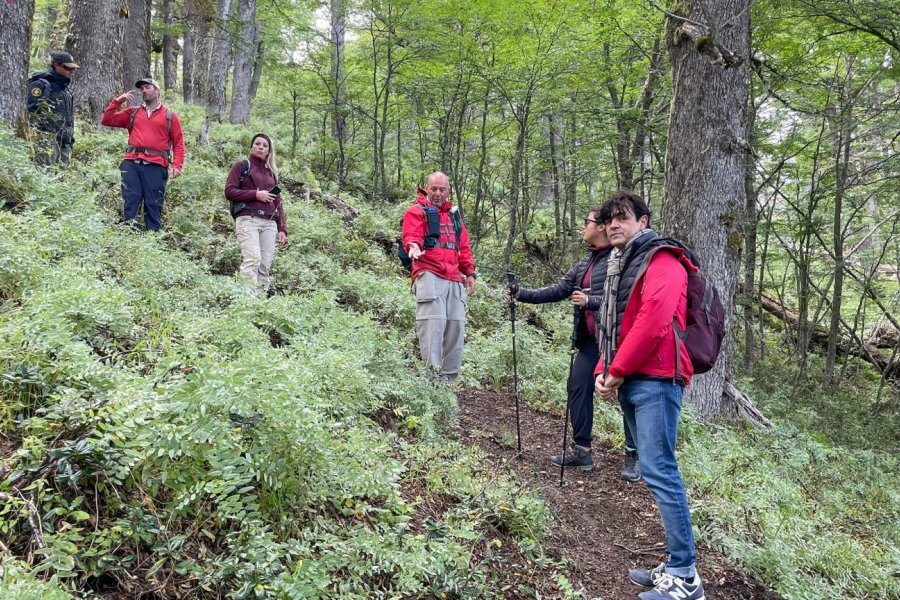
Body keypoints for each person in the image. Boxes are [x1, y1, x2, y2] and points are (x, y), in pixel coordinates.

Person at [593, 191, 705, 600]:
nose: (614, 225)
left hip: (658, 377)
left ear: (643, 220)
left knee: (660, 470)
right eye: (609, 221)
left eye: (622, 218)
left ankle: (686, 576)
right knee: (654, 469)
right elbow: (615, 322)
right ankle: (675, 563)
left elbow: (654, 319)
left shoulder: (663, 259)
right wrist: (603, 370)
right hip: (635, 375)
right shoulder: (622, 264)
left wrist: (616, 369)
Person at [507, 205, 640, 480]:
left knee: (627, 395)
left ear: (601, 226)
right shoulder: (585, 263)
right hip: (591, 340)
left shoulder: (621, 260)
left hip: (618, 340)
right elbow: (559, 290)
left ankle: (633, 455)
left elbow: (626, 302)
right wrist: (522, 294)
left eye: (587, 221)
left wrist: (590, 301)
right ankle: (582, 450)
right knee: (578, 385)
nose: (583, 226)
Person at [401, 171, 477, 380]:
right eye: (433, 189)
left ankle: (447, 385)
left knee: (456, 327)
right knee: (433, 328)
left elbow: (463, 246)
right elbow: (411, 235)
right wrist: (413, 246)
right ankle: (431, 383)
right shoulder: (417, 212)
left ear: (448, 190)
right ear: (427, 188)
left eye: (442, 189)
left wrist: (469, 272)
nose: (437, 193)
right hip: (429, 273)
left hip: (454, 278)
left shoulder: (454, 216)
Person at [100, 77, 185, 231]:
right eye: (142, 89)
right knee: (131, 200)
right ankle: (130, 238)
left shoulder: (170, 115)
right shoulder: (133, 112)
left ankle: (153, 240)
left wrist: (177, 165)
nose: (144, 91)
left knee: (154, 204)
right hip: (131, 163)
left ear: (157, 91)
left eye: (148, 87)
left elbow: (178, 142)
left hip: (156, 166)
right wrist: (117, 102)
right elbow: (107, 120)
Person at [224, 133, 287, 293]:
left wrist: (282, 228)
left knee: (264, 265)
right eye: (257, 144)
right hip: (248, 218)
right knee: (252, 259)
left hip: (269, 223)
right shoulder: (242, 166)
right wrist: (256, 194)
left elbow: (278, 202)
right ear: (251, 147)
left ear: (269, 151)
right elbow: (229, 191)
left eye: (265, 145)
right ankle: (247, 302)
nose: (260, 147)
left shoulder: (271, 174)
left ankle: (260, 304)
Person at [27, 51, 77, 165]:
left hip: (65, 143)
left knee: (62, 179)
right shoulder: (40, 85)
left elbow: (70, 119)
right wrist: (43, 133)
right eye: (67, 68)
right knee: (45, 174)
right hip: (47, 140)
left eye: (72, 69)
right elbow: (31, 112)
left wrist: (70, 140)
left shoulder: (66, 92)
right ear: (56, 65)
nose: (70, 72)